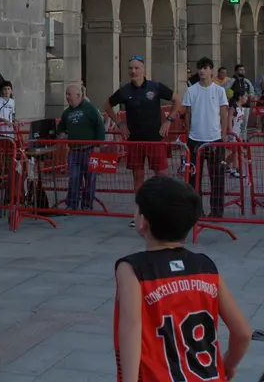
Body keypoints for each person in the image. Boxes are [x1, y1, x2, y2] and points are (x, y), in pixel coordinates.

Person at [114, 176, 252, 381]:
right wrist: (229, 365)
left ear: (142, 222)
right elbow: (243, 333)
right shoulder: (206, 267)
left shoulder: (132, 269)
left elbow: (131, 328)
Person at [105, 56, 180, 226]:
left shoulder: (156, 87)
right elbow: (107, 105)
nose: (133, 71)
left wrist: (169, 120)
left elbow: (177, 100)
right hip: (135, 141)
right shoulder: (124, 91)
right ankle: (139, 215)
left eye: (137, 68)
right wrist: (119, 124)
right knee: (138, 180)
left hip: (155, 140)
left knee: (160, 177)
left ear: (143, 69)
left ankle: (162, 213)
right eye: (131, 68)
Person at [182, 57, 230, 219]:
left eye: (205, 68)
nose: (202, 71)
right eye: (199, 68)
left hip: (215, 139)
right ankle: (196, 210)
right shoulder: (191, 90)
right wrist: (188, 134)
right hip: (195, 140)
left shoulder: (219, 91)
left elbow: (223, 114)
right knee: (194, 178)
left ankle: (216, 211)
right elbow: (187, 114)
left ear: (211, 70)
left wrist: (223, 134)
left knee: (217, 176)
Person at [57, 83, 107, 211]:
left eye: (69, 94)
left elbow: (99, 125)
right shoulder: (66, 113)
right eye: (66, 94)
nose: (67, 97)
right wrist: (61, 134)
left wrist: (97, 145)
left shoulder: (89, 108)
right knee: (74, 178)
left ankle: (87, 205)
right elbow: (61, 128)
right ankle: (72, 205)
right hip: (74, 151)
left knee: (90, 179)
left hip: (90, 149)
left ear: (78, 95)